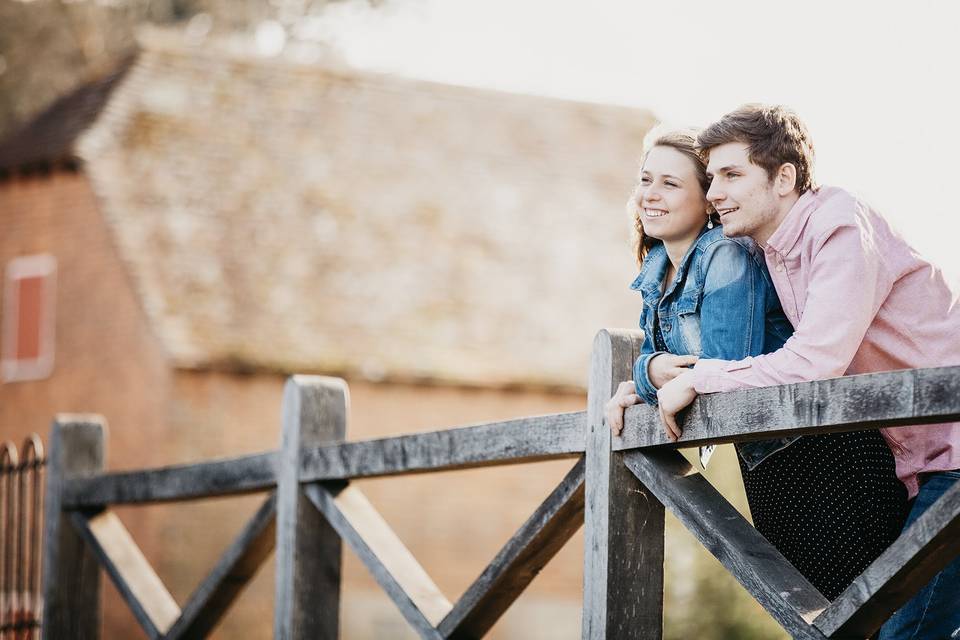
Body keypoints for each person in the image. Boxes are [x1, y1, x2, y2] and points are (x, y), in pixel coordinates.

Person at [656, 104, 960, 637]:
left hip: (954, 457)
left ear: (785, 178)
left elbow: (814, 364)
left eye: (731, 175)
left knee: (903, 632)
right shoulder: (767, 251)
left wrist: (696, 379)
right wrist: (644, 380)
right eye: (711, 178)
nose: (713, 193)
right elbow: (715, 344)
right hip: (920, 467)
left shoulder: (839, 223)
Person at [604, 126, 908, 601]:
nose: (650, 194)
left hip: (822, 453)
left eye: (670, 183)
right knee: (823, 614)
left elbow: (719, 368)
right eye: (646, 180)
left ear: (707, 200)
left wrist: (644, 379)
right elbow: (661, 367)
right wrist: (648, 374)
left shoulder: (728, 256)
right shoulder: (655, 272)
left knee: (870, 610)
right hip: (765, 459)